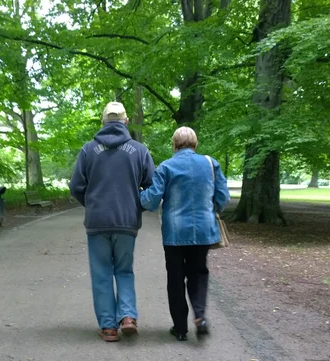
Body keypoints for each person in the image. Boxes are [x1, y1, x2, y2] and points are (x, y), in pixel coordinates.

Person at [69, 102, 155, 342]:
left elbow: (76, 186)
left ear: (102, 122)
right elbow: (152, 186)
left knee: (102, 273)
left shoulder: (88, 150)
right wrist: (137, 206)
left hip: (97, 222)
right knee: (124, 270)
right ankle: (128, 316)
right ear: (126, 122)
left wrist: (93, 205)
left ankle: (108, 327)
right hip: (127, 222)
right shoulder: (140, 151)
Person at [140, 127, 230, 341]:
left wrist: (138, 195)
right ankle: (200, 316)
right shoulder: (210, 164)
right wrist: (212, 207)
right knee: (198, 273)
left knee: (176, 279)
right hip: (203, 231)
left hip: (174, 233)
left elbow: (151, 202)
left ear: (174, 144)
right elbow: (223, 198)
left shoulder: (166, 167)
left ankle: (180, 328)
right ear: (195, 144)